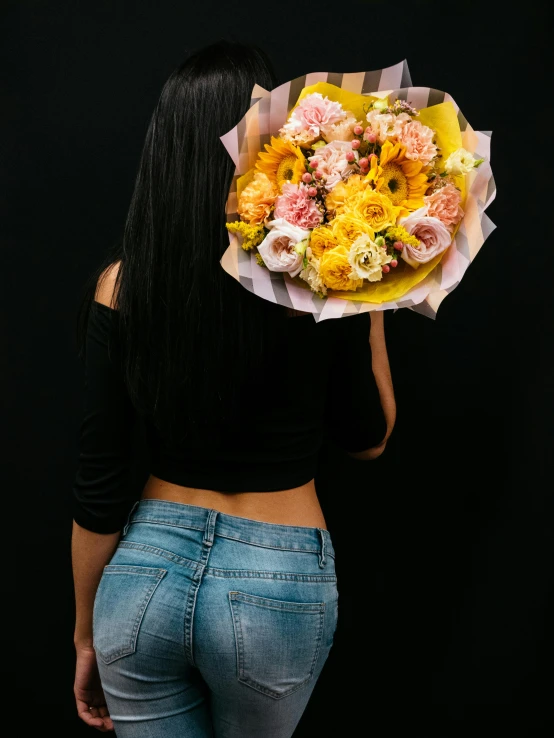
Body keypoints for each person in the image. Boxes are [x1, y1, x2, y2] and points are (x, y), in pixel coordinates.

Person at [71, 40, 396, 737]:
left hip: (143, 580)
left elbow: (98, 487)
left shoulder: (121, 286)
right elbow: (368, 440)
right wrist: (368, 291)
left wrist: (85, 635)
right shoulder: (316, 281)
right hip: (274, 583)